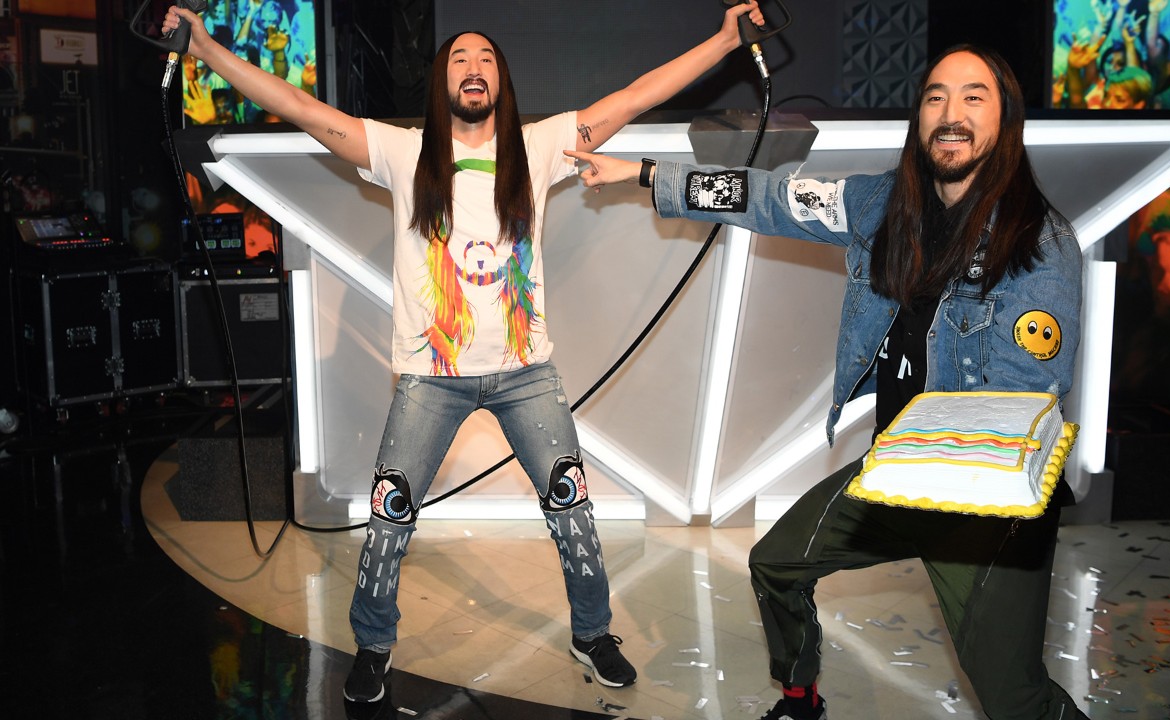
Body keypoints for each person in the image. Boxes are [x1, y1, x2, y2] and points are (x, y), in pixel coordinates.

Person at [162, 0, 766, 705]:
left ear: (501, 83)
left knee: (573, 512)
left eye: (486, 60)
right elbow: (298, 104)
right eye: (459, 59)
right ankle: (374, 645)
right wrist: (204, 48)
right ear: (440, 82)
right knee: (390, 516)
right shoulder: (401, 151)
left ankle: (593, 632)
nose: (474, 68)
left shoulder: (539, 147)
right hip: (430, 380)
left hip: (525, 376)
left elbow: (637, 95)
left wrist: (725, 41)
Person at [568, 45, 1088, 720]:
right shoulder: (879, 205)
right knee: (777, 563)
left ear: (1005, 121)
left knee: (1014, 698)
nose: (950, 114)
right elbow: (770, 199)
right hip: (897, 471)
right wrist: (642, 174)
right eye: (935, 97)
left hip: (982, 504)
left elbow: (1017, 407)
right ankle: (800, 698)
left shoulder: (1038, 245)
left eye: (973, 97)